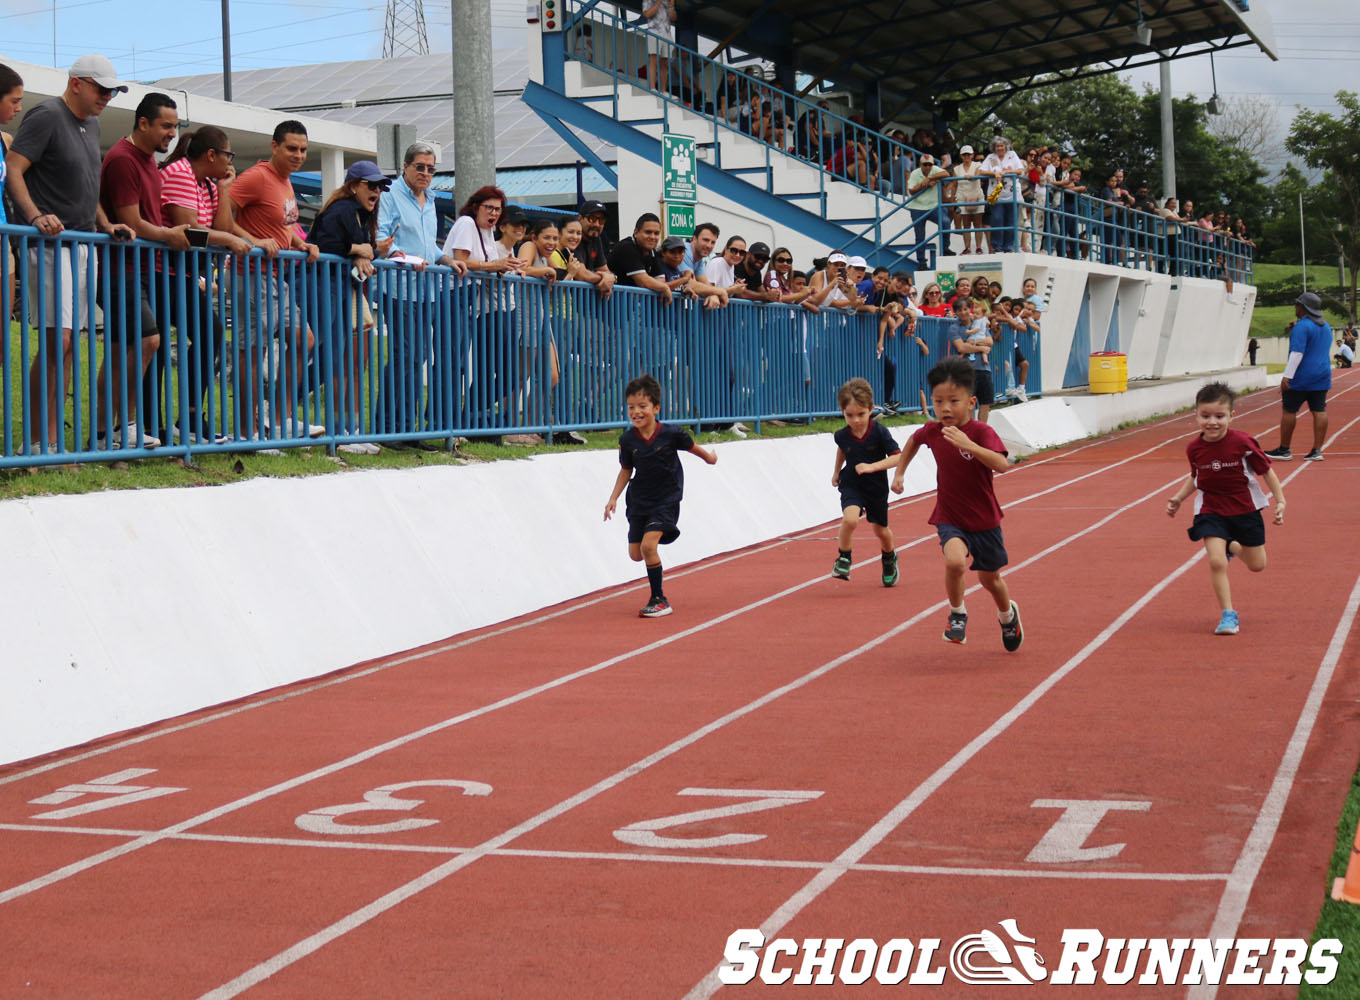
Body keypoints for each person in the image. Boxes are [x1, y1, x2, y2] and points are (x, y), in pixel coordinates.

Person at [6, 54, 135, 454]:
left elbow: (87, 186)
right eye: (102, 88)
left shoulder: (92, 123)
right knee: (56, 340)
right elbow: (14, 168)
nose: (107, 97)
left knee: (69, 344)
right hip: (52, 245)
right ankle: (35, 442)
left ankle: (52, 441)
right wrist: (35, 215)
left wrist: (105, 222)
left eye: (112, 91)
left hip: (84, 242)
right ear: (76, 82)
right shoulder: (46, 114)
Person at [858, 356, 1021, 650]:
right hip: (950, 515)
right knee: (955, 561)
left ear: (971, 402)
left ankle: (1007, 614)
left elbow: (1002, 464)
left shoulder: (981, 432)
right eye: (938, 401)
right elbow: (913, 441)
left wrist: (968, 445)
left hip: (984, 520)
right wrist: (899, 473)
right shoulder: (933, 430)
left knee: (990, 580)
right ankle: (957, 613)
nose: (945, 408)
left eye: (953, 401)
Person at [100, 92, 193, 451]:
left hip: (139, 266)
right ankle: (117, 428)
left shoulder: (149, 161)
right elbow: (131, 221)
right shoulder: (124, 159)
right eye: (166, 126)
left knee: (128, 347)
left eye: (175, 126)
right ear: (143, 124)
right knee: (146, 341)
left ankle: (114, 429)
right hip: (118, 266)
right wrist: (169, 234)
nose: (172, 133)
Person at [228, 119, 323, 440]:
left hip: (273, 278)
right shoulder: (256, 177)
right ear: (274, 147)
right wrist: (253, 241)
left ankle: (279, 420)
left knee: (304, 340)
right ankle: (247, 431)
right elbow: (221, 215)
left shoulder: (286, 180)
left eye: (303, 150)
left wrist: (300, 242)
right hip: (248, 275)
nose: (298, 155)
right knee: (252, 353)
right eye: (291, 148)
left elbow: (282, 223)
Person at [159, 125, 255, 444]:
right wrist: (228, 238)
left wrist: (225, 189)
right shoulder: (180, 173)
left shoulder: (208, 185)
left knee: (209, 331)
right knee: (164, 340)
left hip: (184, 274)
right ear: (211, 154)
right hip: (162, 271)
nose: (230, 162)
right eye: (228, 154)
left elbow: (221, 226)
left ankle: (186, 417)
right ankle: (158, 420)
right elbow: (188, 230)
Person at [1166, 382, 1285, 636]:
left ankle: (1232, 545)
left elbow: (1266, 472)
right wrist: (1178, 498)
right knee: (1216, 562)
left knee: (1257, 565)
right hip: (1211, 510)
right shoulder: (1194, 448)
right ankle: (1228, 614)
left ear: (1232, 416)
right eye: (1205, 415)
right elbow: (1196, 477)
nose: (1212, 422)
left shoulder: (1243, 443)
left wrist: (1280, 500)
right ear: (1195, 415)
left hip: (1244, 510)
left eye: (1219, 416)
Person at [375, 140, 469, 446]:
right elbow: (381, 237)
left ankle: (409, 430)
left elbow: (429, 246)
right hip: (398, 286)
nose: (425, 173)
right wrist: (401, 255)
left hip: (426, 289)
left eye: (431, 169)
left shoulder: (429, 201)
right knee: (406, 355)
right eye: (420, 167)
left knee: (419, 358)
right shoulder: (389, 195)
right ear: (405, 167)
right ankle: (389, 427)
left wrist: (446, 259)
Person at [603, 372, 717, 618]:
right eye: (631, 407)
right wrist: (613, 498)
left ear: (656, 407)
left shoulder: (671, 434)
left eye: (642, 406)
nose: (636, 412)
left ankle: (659, 599)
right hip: (639, 501)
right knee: (636, 554)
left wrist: (709, 457)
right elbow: (626, 470)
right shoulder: (627, 439)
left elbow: (692, 448)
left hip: (666, 499)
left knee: (647, 546)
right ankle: (653, 542)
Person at [307, 161, 393, 454]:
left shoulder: (357, 213)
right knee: (327, 357)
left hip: (340, 287)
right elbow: (326, 245)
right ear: (354, 185)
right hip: (323, 285)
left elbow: (361, 248)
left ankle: (345, 430)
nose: (377, 191)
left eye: (380, 187)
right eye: (372, 185)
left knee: (342, 361)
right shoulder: (343, 208)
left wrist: (367, 251)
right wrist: (359, 251)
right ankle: (275, 410)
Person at [830, 377, 900, 586]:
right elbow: (843, 449)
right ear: (842, 411)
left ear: (871, 409)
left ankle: (889, 558)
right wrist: (836, 472)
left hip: (876, 487)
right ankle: (844, 558)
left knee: (880, 530)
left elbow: (898, 456)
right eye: (849, 415)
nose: (856, 420)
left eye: (861, 414)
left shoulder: (879, 433)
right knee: (850, 519)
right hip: (852, 482)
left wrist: (872, 467)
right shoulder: (842, 435)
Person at [1265, 291, 1332, 462]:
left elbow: (1297, 353)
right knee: (1319, 410)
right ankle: (1317, 450)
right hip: (1322, 374)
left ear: (1303, 308)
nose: (1295, 307)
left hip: (1302, 375)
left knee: (1289, 410)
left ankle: (1284, 449)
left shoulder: (1302, 327)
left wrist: (1287, 376)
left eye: (1297, 304)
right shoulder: (1326, 326)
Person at [950, 296, 995, 422]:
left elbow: (989, 341)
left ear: (970, 309)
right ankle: (971, 432)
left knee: (986, 403)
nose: (963, 312)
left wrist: (973, 343)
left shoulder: (979, 322)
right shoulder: (955, 328)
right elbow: (961, 347)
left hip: (984, 368)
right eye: (959, 310)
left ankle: (982, 430)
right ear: (956, 312)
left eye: (965, 309)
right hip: (967, 370)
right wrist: (981, 348)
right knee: (970, 403)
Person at [0, 64, 22, 318]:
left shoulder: (5, 140)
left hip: (3, 239)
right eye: (14, 101)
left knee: (2, 333)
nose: (18, 108)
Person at [906, 153, 952, 266]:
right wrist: (924, 185)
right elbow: (911, 191)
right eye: (925, 164)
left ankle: (945, 248)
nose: (927, 167)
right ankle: (922, 262)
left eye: (929, 165)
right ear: (920, 164)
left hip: (933, 207)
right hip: (917, 208)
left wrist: (930, 178)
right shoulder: (915, 174)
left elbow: (946, 173)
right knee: (920, 236)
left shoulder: (934, 170)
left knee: (946, 223)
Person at [576, 200, 615, 298]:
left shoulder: (596, 240)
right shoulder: (573, 239)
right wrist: (604, 278)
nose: (597, 224)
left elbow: (606, 271)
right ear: (580, 218)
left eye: (601, 220)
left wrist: (611, 277)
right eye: (592, 219)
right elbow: (581, 274)